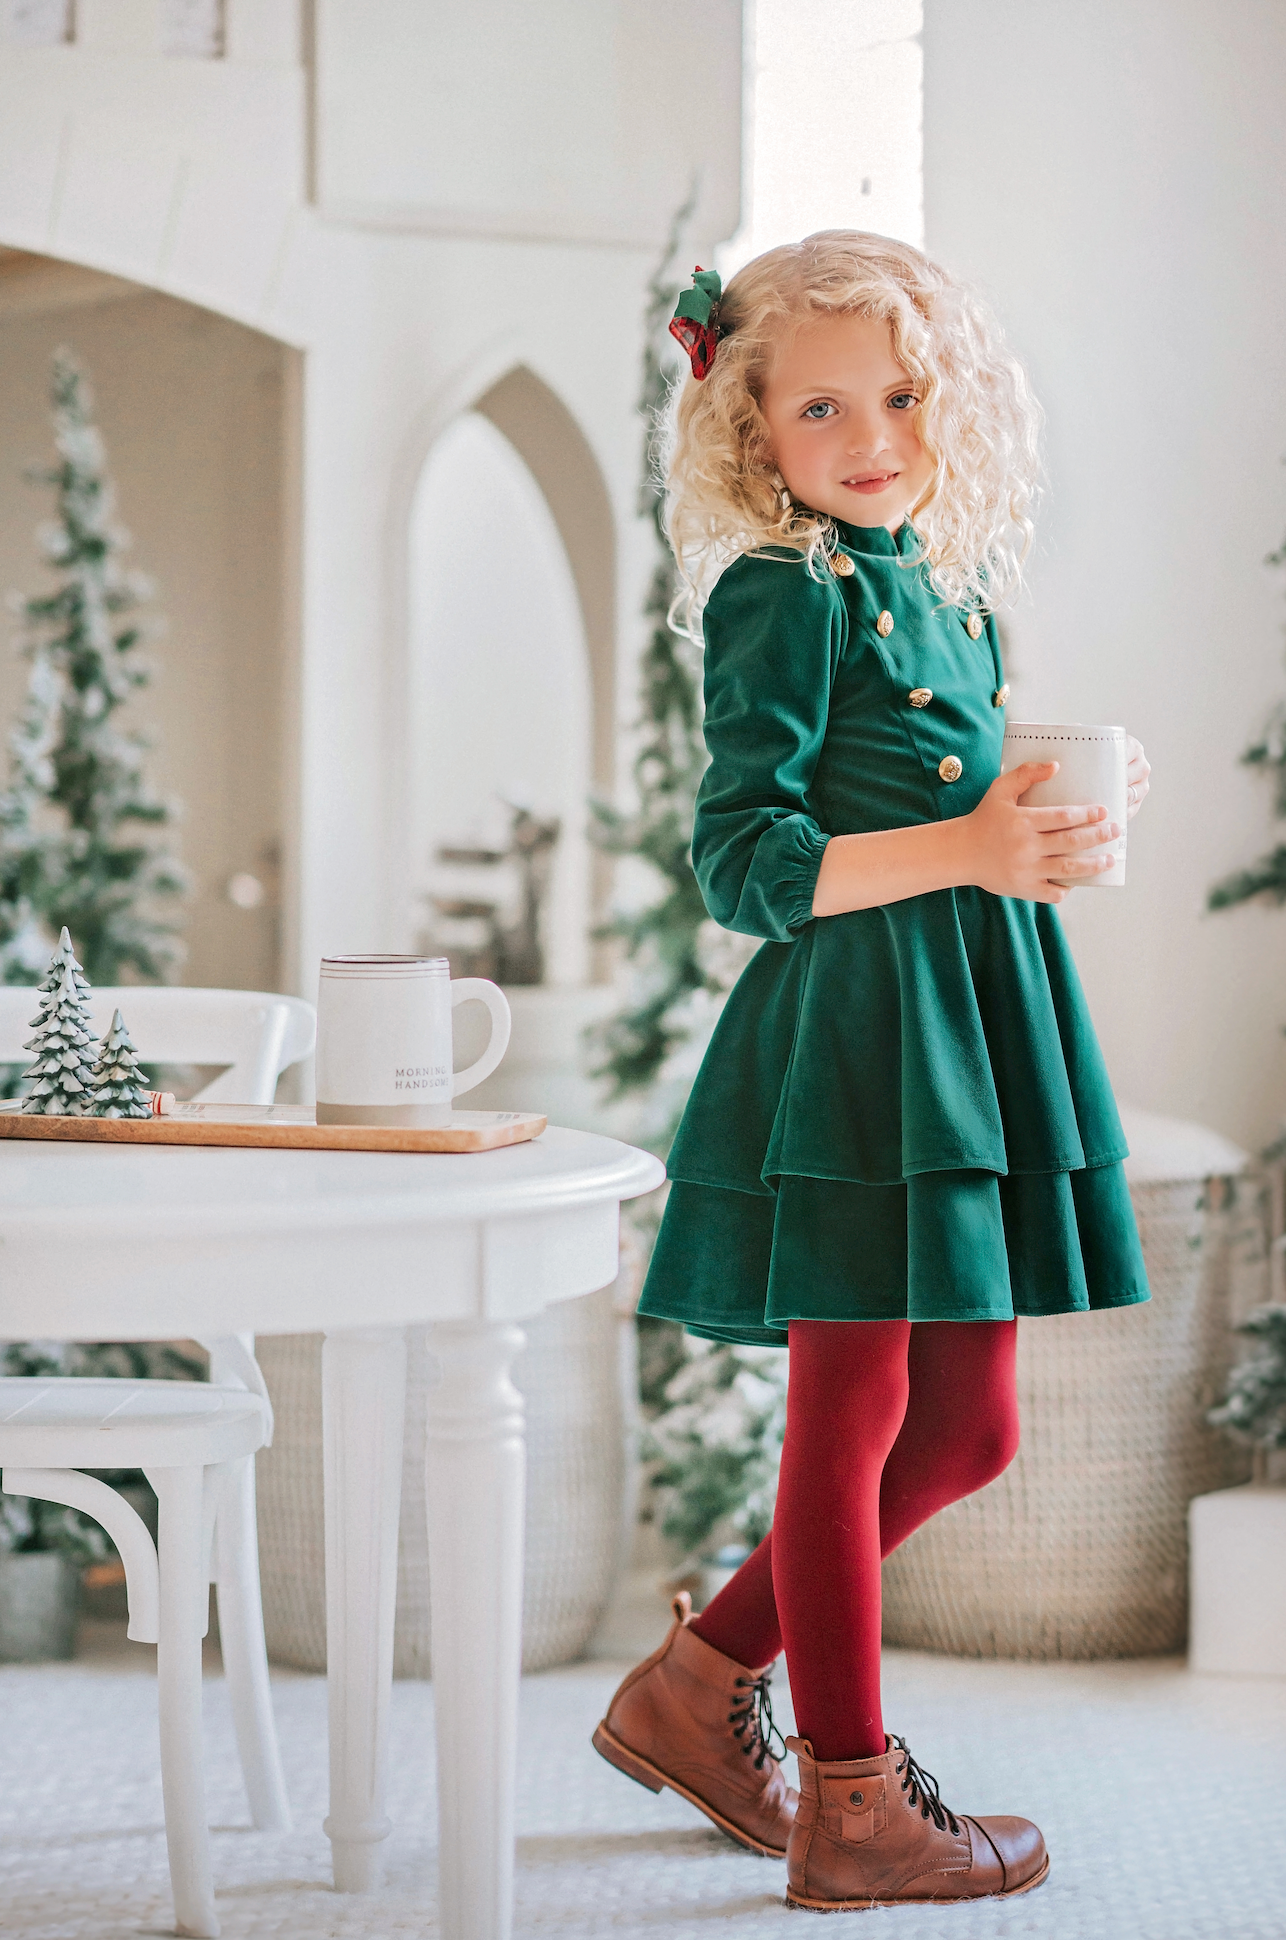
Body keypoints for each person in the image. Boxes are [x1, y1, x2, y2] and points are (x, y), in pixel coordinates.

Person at [593, 232, 1152, 1913]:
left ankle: (694, 1692)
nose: (870, 435)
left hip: (971, 1022)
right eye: (822, 405)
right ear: (755, 428)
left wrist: (1046, 822)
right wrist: (963, 843)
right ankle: (850, 1800)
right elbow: (745, 859)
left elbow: (964, 800)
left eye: (900, 396)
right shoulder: (779, 591)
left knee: (966, 1427)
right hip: (852, 1041)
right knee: (852, 1416)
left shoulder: (953, 586)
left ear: (949, 400)